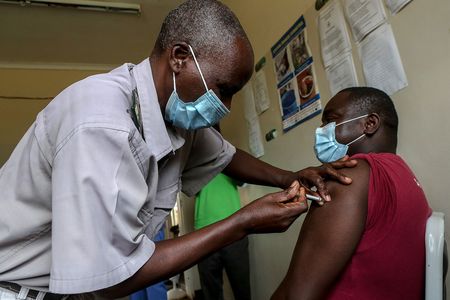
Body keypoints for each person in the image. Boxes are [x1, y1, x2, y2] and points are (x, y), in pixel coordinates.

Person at [0, 1, 355, 299]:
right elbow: (111, 278)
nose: (226, 106)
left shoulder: (171, 112)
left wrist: (290, 177)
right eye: (224, 88)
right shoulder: (101, 122)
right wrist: (241, 224)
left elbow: (227, 156)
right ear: (180, 57)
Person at [271, 87, 432, 300]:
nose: (321, 130)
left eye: (330, 120)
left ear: (370, 124)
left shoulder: (349, 176)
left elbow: (297, 295)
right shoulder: (406, 176)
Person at [194, 166, 250, 299]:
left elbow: (243, 180)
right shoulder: (193, 157)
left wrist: (224, 159)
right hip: (204, 232)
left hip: (234, 228)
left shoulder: (229, 155)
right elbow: (186, 186)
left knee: (242, 290)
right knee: (211, 293)